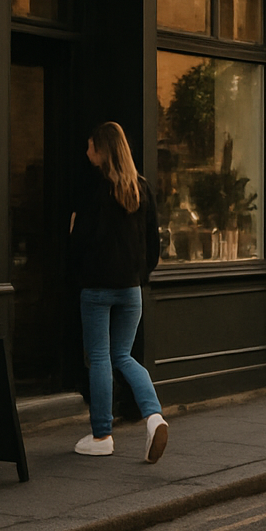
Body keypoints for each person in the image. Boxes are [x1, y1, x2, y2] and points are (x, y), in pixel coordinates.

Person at [68, 121, 168, 463]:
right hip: (131, 289)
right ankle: (154, 417)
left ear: (103, 150)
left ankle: (101, 435)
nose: (86, 152)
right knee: (123, 356)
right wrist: (139, 275)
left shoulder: (93, 189)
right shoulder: (142, 189)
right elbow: (153, 244)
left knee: (98, 357)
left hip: (96, 288)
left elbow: (78, 241)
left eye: (90, 146)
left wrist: (78, 264)